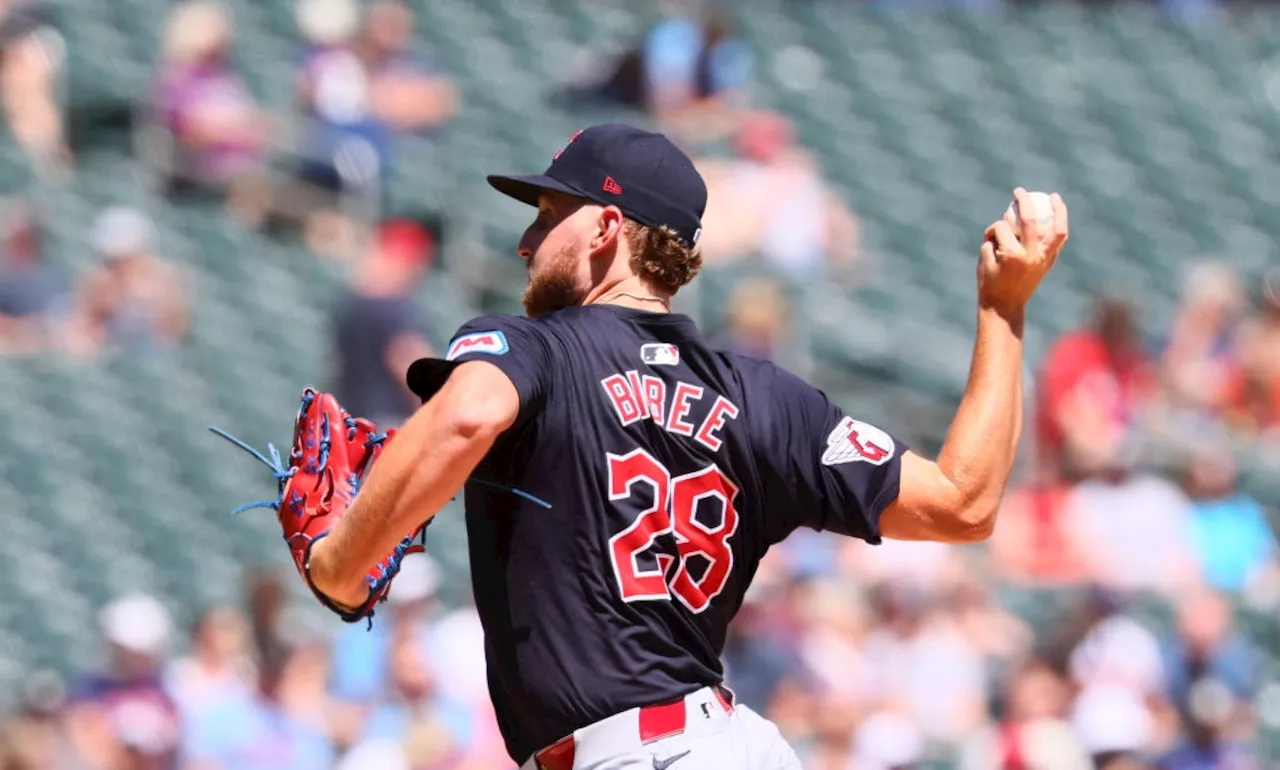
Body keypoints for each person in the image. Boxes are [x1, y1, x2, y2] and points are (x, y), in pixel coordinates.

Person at [302, 124, 1069, 769]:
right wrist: (1002, 312)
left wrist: (340, 561)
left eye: (546, 214)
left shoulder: (527, 347)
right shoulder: (765, 397)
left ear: (606, 227)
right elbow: (964, 503)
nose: (527, 242)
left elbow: (467, 416)